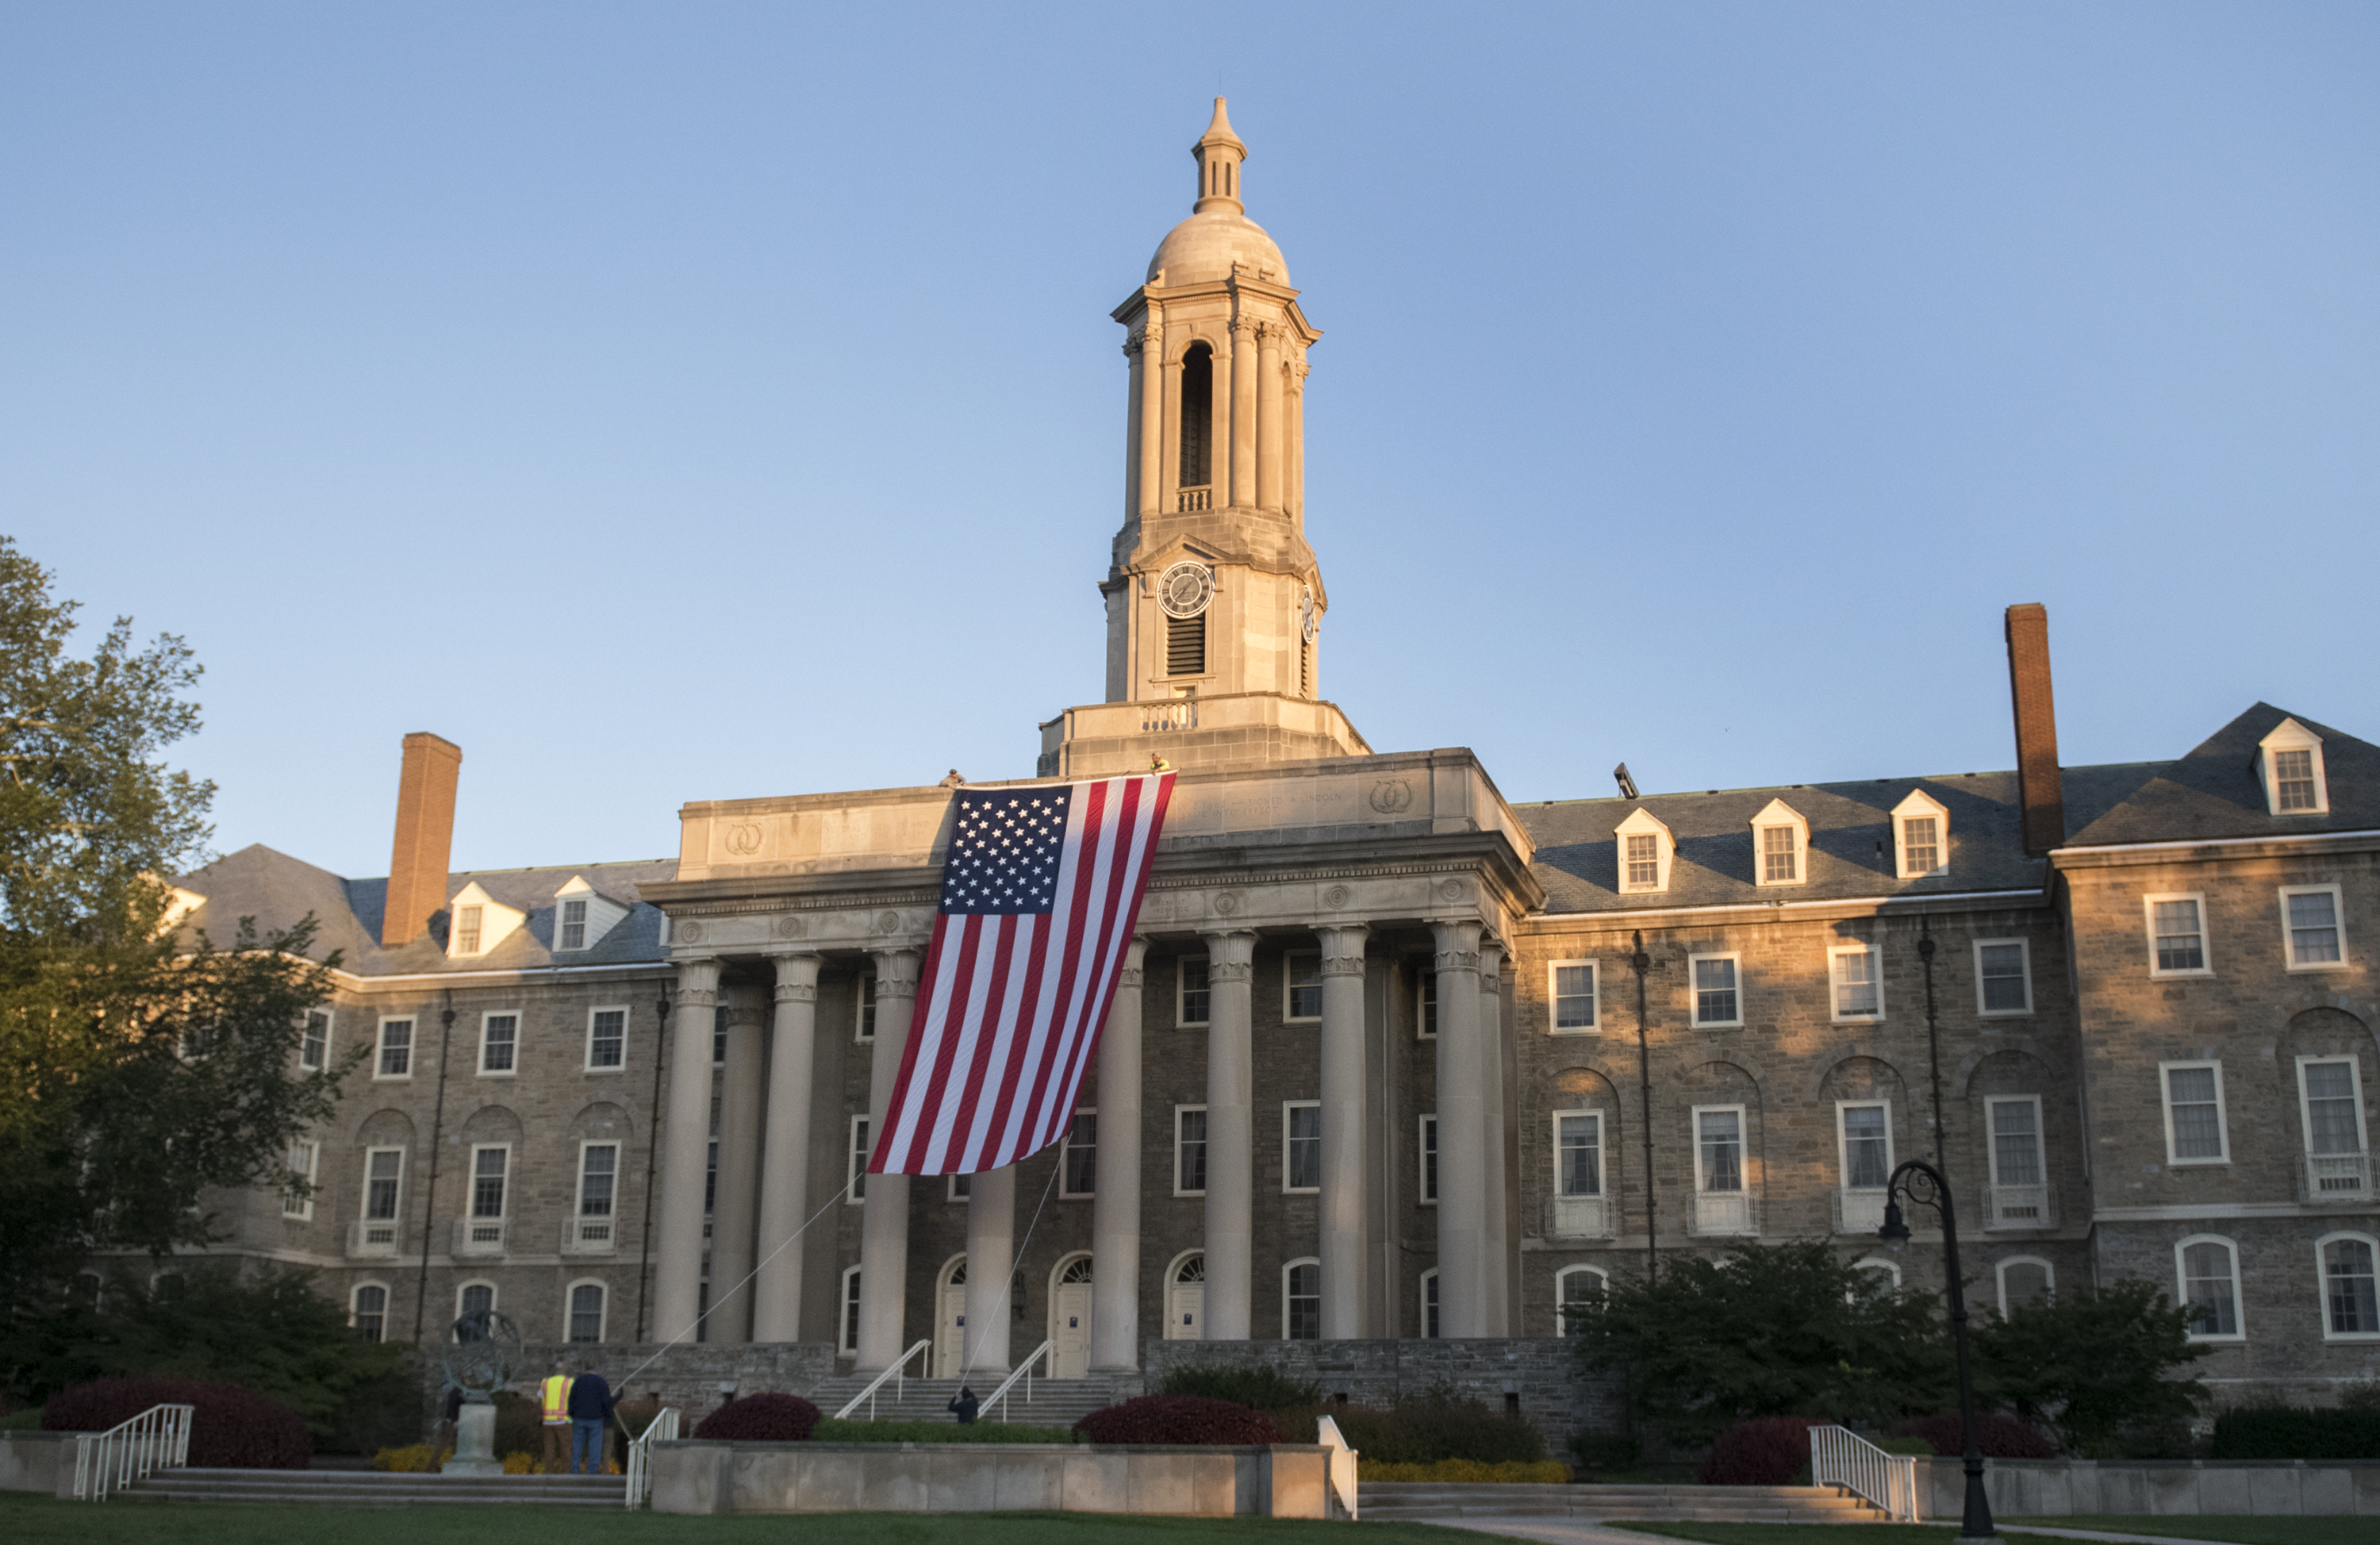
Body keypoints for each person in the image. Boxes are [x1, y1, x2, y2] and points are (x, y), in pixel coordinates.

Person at [567, 1359, 616, 1475]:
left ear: (585, 1369)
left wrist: (572, 1414)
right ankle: (592, 1469)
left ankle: (575, 1468)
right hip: (596, 1418)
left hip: (579, 1417)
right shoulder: (601, 1382)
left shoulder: (578, 1381)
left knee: (577, 1443)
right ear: (596, 1369)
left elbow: (571, 1399)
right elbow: (606, 1401)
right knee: (595, 1444)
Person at [538, 1361, 573, 1474]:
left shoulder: (545, 1382)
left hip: (547, 1420)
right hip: (563, 1420)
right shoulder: (569, 1382)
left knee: (549, 1448)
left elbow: (540, 1396)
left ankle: (549, 1472)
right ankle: (566, 1473)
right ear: (564, 1370)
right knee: (566, 1448)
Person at [430, 1382, 465, 1470]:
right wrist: (455, 1421)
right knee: (445, 1444)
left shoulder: (455, 1392)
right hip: (452, 1423)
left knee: (448, 1444)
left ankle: (433, 1466)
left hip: (451, 1422)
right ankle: (433, 1466)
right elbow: (452, 1408)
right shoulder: (457, 1392)